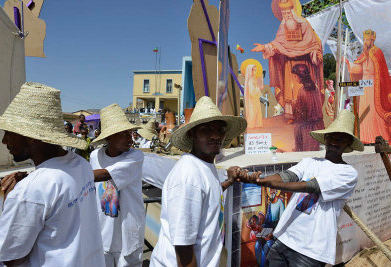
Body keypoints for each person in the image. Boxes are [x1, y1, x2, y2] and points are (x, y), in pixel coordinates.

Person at [0, 82, 104, 266]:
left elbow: (10, 257)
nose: (4, 141)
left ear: (30, 136)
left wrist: (9, 199)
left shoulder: (29, 192)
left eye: (9, 132)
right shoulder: (81, 165)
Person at [238, 109, 364, 266]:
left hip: (311, 250)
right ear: (325, 138)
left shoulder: (348, 173)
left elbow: (311, 186)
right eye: (331, 137)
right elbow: (286, 176)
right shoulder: (310, 162)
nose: (333, 142)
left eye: (340, 139)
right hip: (284, 238)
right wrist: (258, 178)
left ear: (348, 144)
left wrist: (264, 182)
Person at [150, 96, 249, 266]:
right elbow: (183, 247)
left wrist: (228, 182)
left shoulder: (203, 166)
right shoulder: (188, 176)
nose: (215, 136)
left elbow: (208, 196)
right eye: (206, 129)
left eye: (220, 130)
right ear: (192, 133)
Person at [90, 104, 145, 267]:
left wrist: (70, 174)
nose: (130, 138)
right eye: (123, 134)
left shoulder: (135, 156)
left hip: (128, 233)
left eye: (130, 133)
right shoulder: (95, 156)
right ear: (108, 138)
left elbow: (105, 175)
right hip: (102, 233)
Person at [252, 0, 323, 123]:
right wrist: (264, 47)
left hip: (304, 62)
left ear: (293, 10)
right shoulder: (283, 27)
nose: (286, 14)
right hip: (289, 64)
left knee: (304, 88)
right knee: (290, 90)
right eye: (283, 12)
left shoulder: (304, 24)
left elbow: (314, 43)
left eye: (288, 11)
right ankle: (293, 115)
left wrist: (315, 52)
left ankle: (307, 114)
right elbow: (277, 44)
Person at [346, 29, 391, 144]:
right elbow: (357, 68)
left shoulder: (378, 52)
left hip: (374, 86)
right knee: (362, 110)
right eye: (364, 39)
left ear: (372, 40)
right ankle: (364, 136)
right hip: (363, 85)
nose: (365, 42)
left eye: (367, 40)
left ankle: (377, 135)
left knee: (373, 110)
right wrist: (348, 64)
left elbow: (382, 72)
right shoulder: (363, 54)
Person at [291, 64, 324, 151]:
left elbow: (302, 110)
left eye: (295, 76)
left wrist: (294, 104)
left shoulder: (302, 90)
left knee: (306, 152)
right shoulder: (314, 88)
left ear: (301, 76)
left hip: (307, 125)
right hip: (314, 125)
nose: (295, 78)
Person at [244, 64, 263, 128]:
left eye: (255, 70)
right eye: (254, 70)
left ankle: (257, 123)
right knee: (252, 111)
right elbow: (251, 91)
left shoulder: (254, 79)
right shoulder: (250, 80)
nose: (255, 71)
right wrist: (258, 89)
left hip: (255, 98)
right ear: (250, 71)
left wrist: (258, 88)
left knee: (257, 110)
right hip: (252, 99)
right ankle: (252, 123)